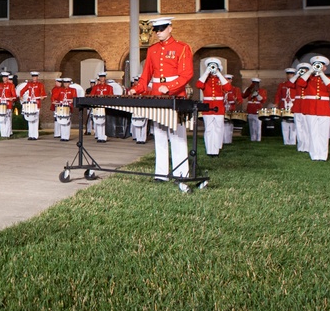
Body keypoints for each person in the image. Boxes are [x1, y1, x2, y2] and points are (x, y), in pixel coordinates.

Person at [128, 17, 193, 191]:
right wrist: (137, 89)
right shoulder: (152, 50)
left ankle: (181, 172)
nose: (158, 33)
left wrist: (170, 87)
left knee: (177, 136)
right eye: (156, 30)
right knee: (159, 134)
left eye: (162, 29)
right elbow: (146, 74)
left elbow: (186, 74)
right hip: (157, 95)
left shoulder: (182, 48)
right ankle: (161, 173)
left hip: (175, 94)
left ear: (170, 28)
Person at [294, 55, 330, 161]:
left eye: (321, 65)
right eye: (315, 65)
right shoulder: (309, 79)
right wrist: (310, 71)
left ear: (325, 68)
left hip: (323, 109)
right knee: (312, 133)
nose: (318, 66)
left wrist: (321, 73)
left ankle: (322, 155)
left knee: (323, 133)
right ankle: (314, 155)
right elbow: (300, 83)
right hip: (311, 109)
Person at [195, 58, 232, 156]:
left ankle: (216, 149)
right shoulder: (205, 79)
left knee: (218, 128)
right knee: (209, 129)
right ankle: (210, 151)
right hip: (208, 106)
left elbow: (228, 88)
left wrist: (219, 73)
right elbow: (198, 85)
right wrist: (206, 72)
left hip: (219, 107)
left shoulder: (221, 79)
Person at [17, 71, 46, 140]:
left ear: (37, 77)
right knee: (30, 119)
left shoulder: (40, 85)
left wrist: (42, 97)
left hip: (36, 103)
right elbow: (22, 91)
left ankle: (35, 135)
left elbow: (43, 93)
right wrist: (21, 96)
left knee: (35, 119)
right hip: (30, 103)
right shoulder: (29, 84)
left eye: (35, 77)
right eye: (33, 77)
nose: (34, 78)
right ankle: (30, 135)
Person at [51, 77, 79, 141]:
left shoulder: (73, 90)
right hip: (61, 106)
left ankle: (66, 136)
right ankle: (63, 136)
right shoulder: (60, 90)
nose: (66, 84)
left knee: (67, 121)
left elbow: (75, 98)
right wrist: (54, 101)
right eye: (65, 83)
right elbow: (54, 96)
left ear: (69, 83)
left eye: (67, 83)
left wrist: (72, 100)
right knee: (62, 121)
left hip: (68, 106)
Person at [275, 67, 298, 146]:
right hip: (284, 104)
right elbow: (278, 95)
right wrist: (276, 103)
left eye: (291, 74)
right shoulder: (282, 84)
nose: (289, 76)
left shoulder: (297, 84)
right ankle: (286, 141)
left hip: (293, 104)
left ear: (294, 75)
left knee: (293, 123)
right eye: (288, 74)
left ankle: (292, 141)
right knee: (284, 123)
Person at [0, 71, 17, 138]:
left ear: (7, 78)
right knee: (1, 119)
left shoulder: (11, 85)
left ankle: (7, 134)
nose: (4, 78)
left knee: (8, 119)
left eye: (5, 77)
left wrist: (12, 98)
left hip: (8, 104)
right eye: (3, 77)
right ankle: (3, 134)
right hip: (1, 103)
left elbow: (14, 96)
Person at [88, 72, 113, 143]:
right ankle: (99, 136)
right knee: (98, 122)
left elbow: (111, 96)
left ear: (105, 78)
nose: (102, 78)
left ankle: (104, 136)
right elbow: (92, 95)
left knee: (104, 122)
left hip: (105, 106)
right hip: (97, 106)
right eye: (101, 77)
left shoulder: (109, 87)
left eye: (103, 77)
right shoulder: (95, 87)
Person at [243, 77, 267, 142]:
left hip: (257, 110)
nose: (255, 85)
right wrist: (248, 89)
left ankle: (258, 139)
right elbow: (243, 96)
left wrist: (257, 95)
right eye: (253, 84)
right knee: (251, 126)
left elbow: (263, 100)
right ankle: (252, 139)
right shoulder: (249, 91)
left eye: (256, 84)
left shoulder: (262, 91)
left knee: (258, 126)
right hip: (250, 110)